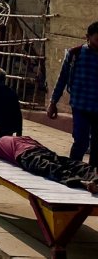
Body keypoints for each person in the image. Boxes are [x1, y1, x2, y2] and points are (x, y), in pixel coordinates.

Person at [0, 127, 98, 193]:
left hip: (27, 155)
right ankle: (90, 178)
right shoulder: (21, 138)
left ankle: (84, 182)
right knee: (71, 164)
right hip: (40, 150)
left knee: (52, 167)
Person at [49, 21, 98, 163]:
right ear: (87, 37)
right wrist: (53, 102)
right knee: (81, 142)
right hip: (80, 107)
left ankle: (93, 174)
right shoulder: (75, 54)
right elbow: (62, 79)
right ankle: (73, 169)